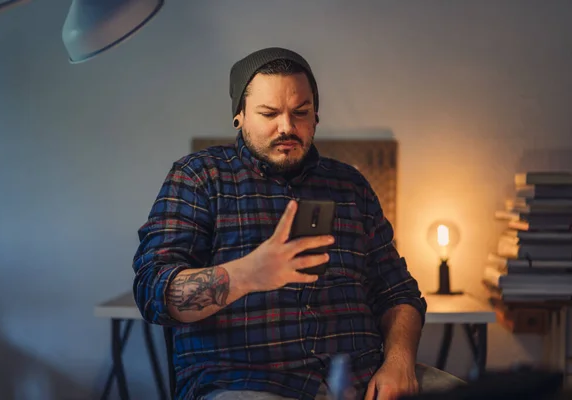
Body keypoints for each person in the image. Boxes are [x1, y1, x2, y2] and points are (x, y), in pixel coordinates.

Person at [133, 47, 427, 400]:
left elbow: (398, 292)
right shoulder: (200, 177)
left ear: (315, 116)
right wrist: (247, 274)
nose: (286, 127)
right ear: (239, 116)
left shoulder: (350, 186)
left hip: (361, 382)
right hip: (245, 385)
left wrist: (399, 361)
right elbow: (153, 292)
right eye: (269, 113)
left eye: (300, 112)